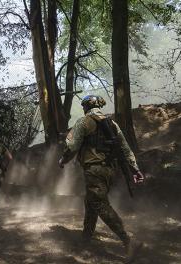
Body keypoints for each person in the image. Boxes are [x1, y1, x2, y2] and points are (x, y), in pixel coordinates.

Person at [58, 95, 145, 260]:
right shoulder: (112, 124)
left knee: (99, 203)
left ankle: (128, 241)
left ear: (85, 107)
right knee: (91, 202)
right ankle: (85, 239)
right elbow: (125, 149)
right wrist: (135, 170)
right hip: (110, 171)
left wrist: (63, 159)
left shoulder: (84, 122)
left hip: (94, 170)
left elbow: (72, 146)